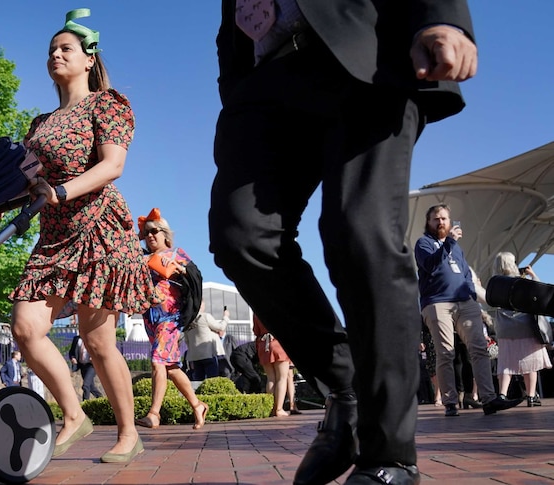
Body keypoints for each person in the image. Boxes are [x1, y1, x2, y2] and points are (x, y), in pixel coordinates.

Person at [210, 2, 478, 483]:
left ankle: (389, 454)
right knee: (240, 236)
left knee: (361, 233)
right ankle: (347, 388)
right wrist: (235, 85)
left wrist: (442, 16)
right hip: (264, 83)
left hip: (363, 54)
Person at [8, 8, 154, 464]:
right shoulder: (39, 123)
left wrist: (64, 191)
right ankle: (74, 414)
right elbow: (29, 182)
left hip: (98, 228)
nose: (55, 54)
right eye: (51, 49)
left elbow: (113, 165)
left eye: (65, 48)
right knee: (25, 328)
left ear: (89, 58)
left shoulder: (106, 104)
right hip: (53, 236)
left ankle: (129, 433)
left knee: (97, 340)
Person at [416, 205, 523, 418]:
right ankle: (450, 402)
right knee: (446, 352)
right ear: (428, 222)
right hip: (438, 303)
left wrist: (472, 295)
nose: (441, 222)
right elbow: (431, 265)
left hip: (465, 302)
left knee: (479, 348)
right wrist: (450, 242)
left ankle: (489, 398)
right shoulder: (424, 244)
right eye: (436, 219)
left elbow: (466, 273)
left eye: (445, 218)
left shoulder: (457, 249)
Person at [134, 208, 210, 431]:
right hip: (150, 318)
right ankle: (197, 405)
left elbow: (196, 277)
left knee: (158, 361)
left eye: (155, 231)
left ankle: (154, 414)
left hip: (171, 317)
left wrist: (182, 270)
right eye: (146, 232)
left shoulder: (177, 254)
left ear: (165, 233)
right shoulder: (142, 258)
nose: (150, 236)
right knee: (170, 367)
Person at [491, 253, 552, 406]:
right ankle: (531, 396)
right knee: (530, 363)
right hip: (524, 326)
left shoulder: (496, 282)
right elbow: (539, 292)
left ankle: (502, 395)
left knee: (506, 362)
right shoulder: (521, 281)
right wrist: (532, 274)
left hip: (504, 327)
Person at [254, 315, 291, 417]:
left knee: (270, 379)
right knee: (282, 378)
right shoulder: (278, 306)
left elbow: (256, 331)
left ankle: (271, 409)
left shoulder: (256, 310)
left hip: (263, 344)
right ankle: (278, 409)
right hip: (278, 342)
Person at [184, 302, 230, 381]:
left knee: (198, 380)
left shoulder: (187, 320)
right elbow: (221, 327)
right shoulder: (205, 316)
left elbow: (187, 340)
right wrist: (225, 317)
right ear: (201, 305)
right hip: (208, 354)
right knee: (212, 380)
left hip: (195, 356)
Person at [69, 334, 103, 401]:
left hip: (91, 365)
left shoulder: (93, 338)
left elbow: (99, 349)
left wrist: (94, 357)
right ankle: (102, 399)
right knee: (91, 387)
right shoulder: (76, 339)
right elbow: (71, 352)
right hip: (82, 366)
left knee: (85, 386)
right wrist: (73, 358)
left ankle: (85, 403)